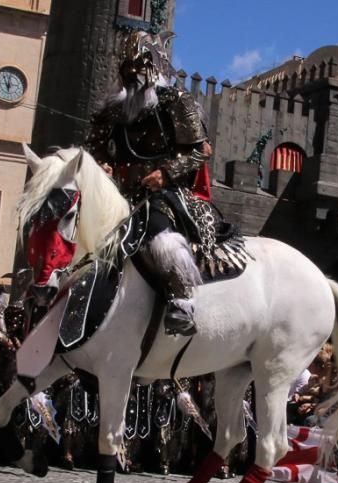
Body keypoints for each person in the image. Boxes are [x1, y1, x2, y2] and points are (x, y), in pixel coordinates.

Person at [84, 30, 213, 336]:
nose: (133, 76)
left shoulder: (175, 102)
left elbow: (202, 150)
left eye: (140, 68)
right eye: (128, 69)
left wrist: (166, 173)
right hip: (117, 193)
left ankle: (182, 300)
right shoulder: (113, 111)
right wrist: (101, 164)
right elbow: (95, 147)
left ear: (155, 68)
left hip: (164, 193)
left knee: (156, 228)